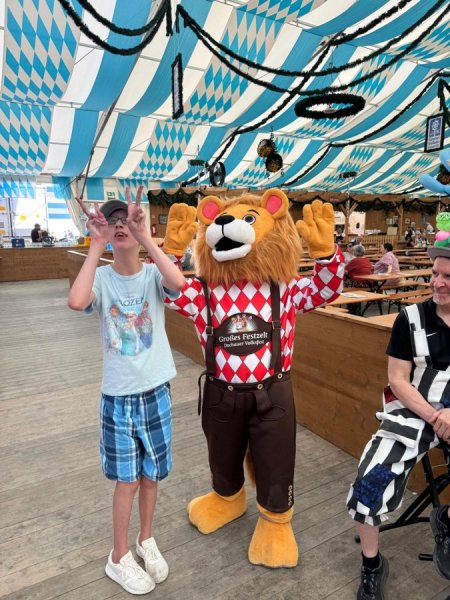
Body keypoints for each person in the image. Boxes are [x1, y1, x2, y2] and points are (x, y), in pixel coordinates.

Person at [67, 187, 186, 595]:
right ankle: (118, 556)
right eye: (112, 220)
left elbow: (179, 284)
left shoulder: (152, 274)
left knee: (152, 476)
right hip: (118, 397)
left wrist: (146, 236)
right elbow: (76, 301)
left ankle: (145, 539)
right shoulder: (102, 278)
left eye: (125, 220)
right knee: (128, 480)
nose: (119, 225)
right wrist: (95, 244)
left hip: (156, 392)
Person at [347, 241, 450, 599]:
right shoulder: (410, 319)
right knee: (369, 482)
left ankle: (446, 520)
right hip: (413, 410)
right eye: (435, 274)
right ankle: (372, 563)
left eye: (447, 277)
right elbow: (398, 381)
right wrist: (435, 416)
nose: (437, 282)